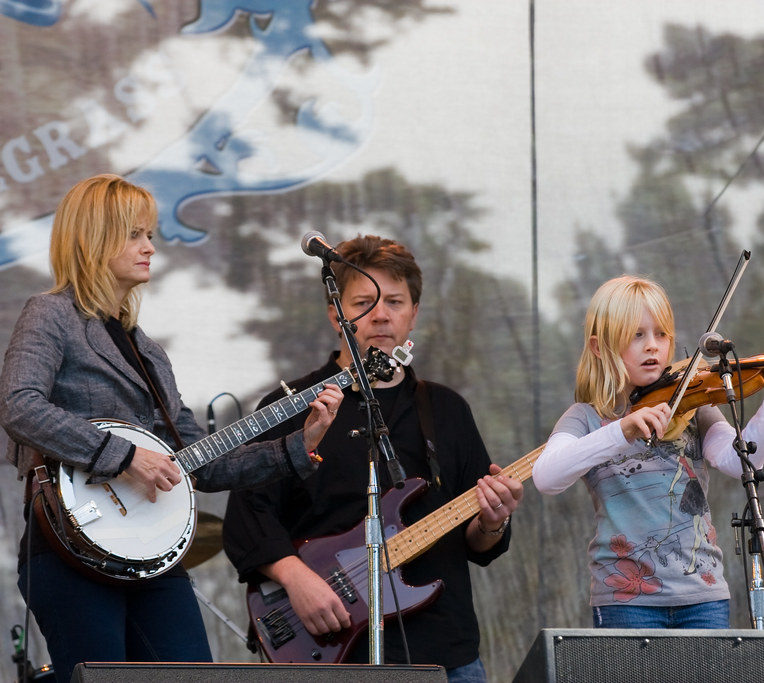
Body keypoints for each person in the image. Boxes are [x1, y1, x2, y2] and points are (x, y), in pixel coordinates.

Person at [0, 174, 344, 683]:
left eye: (151, 234)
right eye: (136, 235)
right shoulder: (50, 315)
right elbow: (19, 405)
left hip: (152, 557)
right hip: (70, 551)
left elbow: (202, 461)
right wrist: (122, 456)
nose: (150, 248)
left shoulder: (148, 352)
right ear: (95, 237)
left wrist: (300, 444)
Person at [222, 234, 522, 683]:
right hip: (330, 646)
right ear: (334, 314)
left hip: (443, 649)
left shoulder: (446, 409)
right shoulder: (291, 406)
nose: (381, 314)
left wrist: (494, 520)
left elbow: (478, 543)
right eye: (364, 302)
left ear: (414, 313)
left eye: (396, 302)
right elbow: (248, 517)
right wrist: (298, 581)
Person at [532, 275, 764, 629]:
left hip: (703, 595)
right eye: (637, 335)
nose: (653, 346)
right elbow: (546, 477)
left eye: (661, 334)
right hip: (627, 600)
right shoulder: (586, 418)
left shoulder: (693, 408)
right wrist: (621, 430)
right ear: (600, 347)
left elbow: (740, 459)